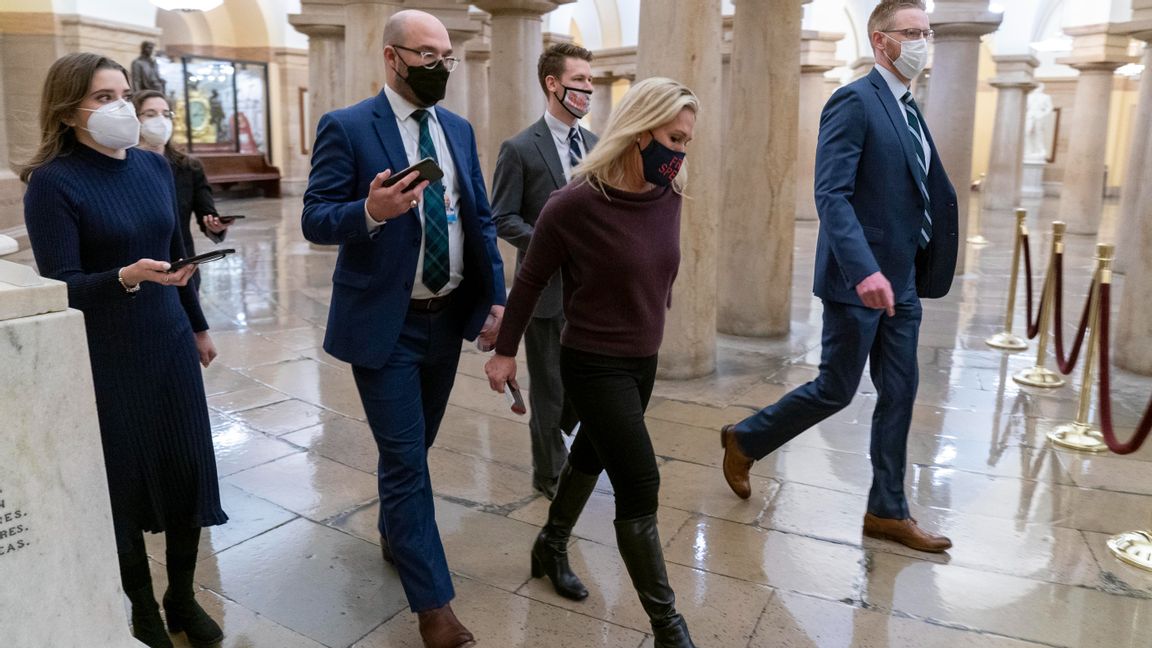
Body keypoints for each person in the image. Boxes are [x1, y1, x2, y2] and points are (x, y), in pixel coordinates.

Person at [719, 0, 959, 553]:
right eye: (912, 32)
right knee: (837, 389)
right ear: (882, 42)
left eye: (927, 31)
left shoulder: (908, 108)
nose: (923, 41)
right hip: (862, 279)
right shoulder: (854, 101)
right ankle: (745, 438)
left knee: (900, 391)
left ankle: (887, 511)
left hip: (902, 279)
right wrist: (864, 269)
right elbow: (831, 194)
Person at [301, 10, 504, 648]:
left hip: (446, 322)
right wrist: (370, 209)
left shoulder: (459, 130)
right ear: (393, 58)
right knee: (406, 461)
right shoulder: (348, 126)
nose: (442, 66)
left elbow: (480, 218)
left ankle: (397, 532)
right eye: (428, 55)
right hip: (385, 326)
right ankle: (434, 608)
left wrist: (496, 300)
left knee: (415, 452)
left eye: (447, 56)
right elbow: (314, 217)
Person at [19, 52, 227, 648]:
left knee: (187, 468)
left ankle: (182, 595)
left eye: (123, 95)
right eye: (103, 97)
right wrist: (125, 277)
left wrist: (198, 325)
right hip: (108, 352)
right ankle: (140, 606)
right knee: (126, 482)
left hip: (166, 338)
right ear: (68, 110)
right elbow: (61, 286)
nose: (121, 108)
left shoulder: (154, 168)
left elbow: (176, 252)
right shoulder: (54, 183)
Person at [485, 77, 699, 648]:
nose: (679, 154)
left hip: (641, 360)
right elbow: (530, 280)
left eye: (686, 143)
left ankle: (550, 544)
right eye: (674, 139)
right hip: (592, 360)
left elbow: (657, 271)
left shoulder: (668, 193)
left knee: (590, 454)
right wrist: (506, 352)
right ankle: (668, 628)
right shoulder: (574, 203)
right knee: (640, 479)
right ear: (640, 130)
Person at [491, 42, 598, 500]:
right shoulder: (520, 148)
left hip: (592, 292)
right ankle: (549, 470)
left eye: (592, 82)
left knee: (583, 384)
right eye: (580, 82)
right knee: (549, 388)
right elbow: (502, 216)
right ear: (553, 84)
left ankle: (565, 437)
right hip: (546, 291)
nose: (588, 90)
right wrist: (549, 245)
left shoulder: (596, 145)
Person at [133, 90, 230, 292]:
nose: (160, 120)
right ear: (135, 119)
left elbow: (207, 214)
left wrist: (216, 226)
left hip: (181, 265)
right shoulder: (123, 165)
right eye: (150, 114)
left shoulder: (189, 167)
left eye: (166, 114)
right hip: (137, 268)